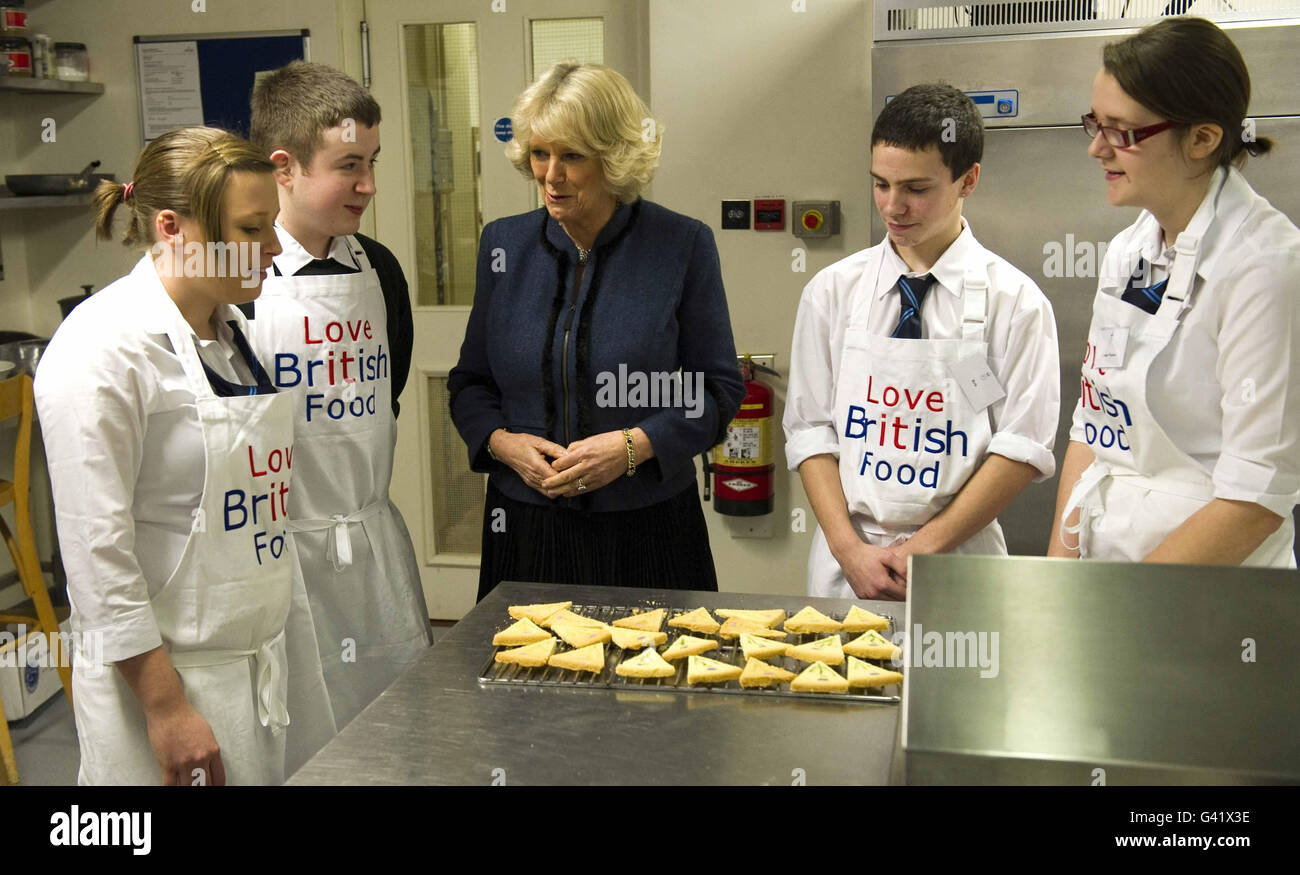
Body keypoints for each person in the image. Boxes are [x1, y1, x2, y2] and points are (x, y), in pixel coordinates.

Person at [34, 127, 335, 785]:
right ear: (171, 227)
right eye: (252, 229)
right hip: (167, 685)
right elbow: (95, 556)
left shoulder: (229, 332)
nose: (274, 248)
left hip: (257, 666)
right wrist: (167, 706)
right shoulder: (102, 352)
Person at [449, 61, 745, 601]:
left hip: (649, 530)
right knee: (524, 682)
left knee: (653, 681)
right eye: (540, 153)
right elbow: (470, 383)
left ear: (613, 159)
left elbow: (719, 391)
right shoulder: (503, 247)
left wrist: (634, 446)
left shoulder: (681, 246)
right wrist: (501, 444)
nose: (550, 175)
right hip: (524, 529)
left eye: (573, 156)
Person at [784, 84, 1060, 600]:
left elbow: (1023, 447)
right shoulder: (831, 292)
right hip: (848, 567)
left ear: (968, 179)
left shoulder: (1016, 302)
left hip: (960, 565)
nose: (894, 206)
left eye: (916, 188)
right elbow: (810, 431)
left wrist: (924, 549)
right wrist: (850, 552)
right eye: (881, 184)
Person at [1049, 18, 1300, 566]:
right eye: (1094, 122)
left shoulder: (1267, 268)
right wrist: (1059, 581)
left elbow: (1257, 496)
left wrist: (1130, 607)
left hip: (1209, 600)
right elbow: (1093, 425)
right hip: (1107, 573)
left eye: (1121, 131)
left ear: (1202, 138)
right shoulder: (1128, 250)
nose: (1096, 149)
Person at [248, 61, 432, 731]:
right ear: (285, 168)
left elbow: (389, 393)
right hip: (278, 559)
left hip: (373, 553)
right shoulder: (236, 277)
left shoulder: (377, 268)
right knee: (295, 734)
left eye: (374, 162)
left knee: (392, 730)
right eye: (349, 164)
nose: (369, 185)